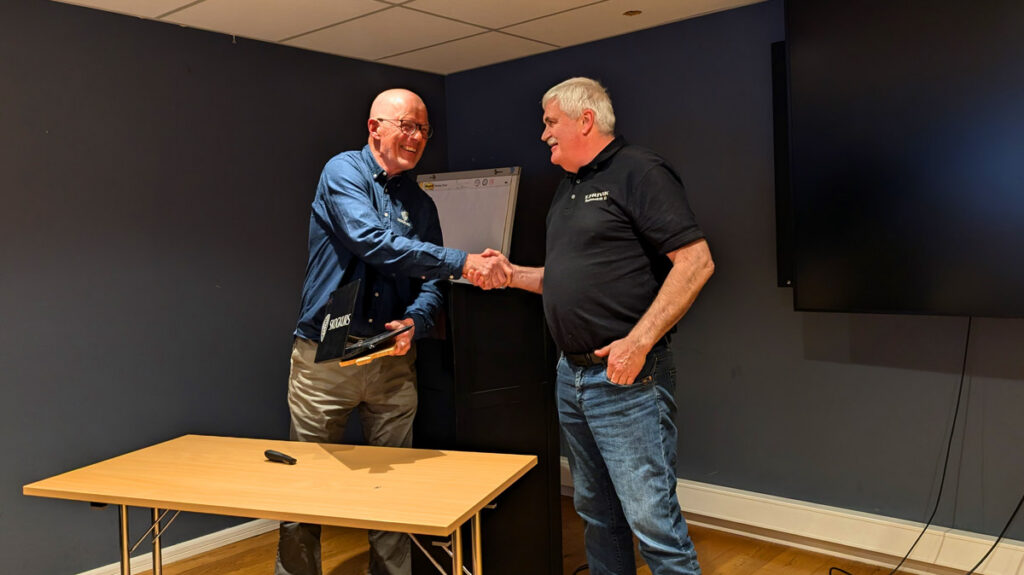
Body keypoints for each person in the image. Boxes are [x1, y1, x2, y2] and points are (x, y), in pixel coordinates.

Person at [476, 77, 714, 575]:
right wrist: (511, 274)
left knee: (652, 521)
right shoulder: (569, 187)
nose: (543, 134)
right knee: (597, 515)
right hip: (573, 377)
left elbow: (695, 262)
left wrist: (638, 342)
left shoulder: (639, 171)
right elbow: (566, 278)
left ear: (585, 120)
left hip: (627, 379)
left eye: (550, 122)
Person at [276, 88, 507, 575]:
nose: (415, 136)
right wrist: (464, 262)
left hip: (391, 361)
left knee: (395, 491)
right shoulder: (343, 172)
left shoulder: (421, 204)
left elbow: (431, 284)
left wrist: (416, 322)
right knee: (303, 490)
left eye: (423, 128)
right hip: (326, 358)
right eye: (406, 125)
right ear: (374, 127)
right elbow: (371, 241)